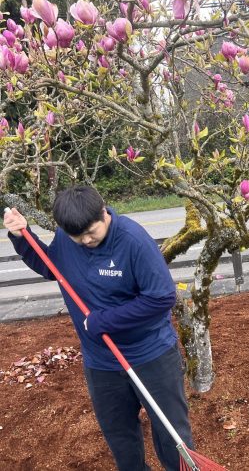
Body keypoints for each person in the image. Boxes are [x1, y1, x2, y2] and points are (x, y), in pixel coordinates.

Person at [3, 185, 194, 471]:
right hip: (101, 362)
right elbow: (52, 268)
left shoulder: (133, 241)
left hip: (150, 355)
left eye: (91, 232)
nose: (86, 241)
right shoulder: (70, 239)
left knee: (170, 434)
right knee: (120, 436)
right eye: (77, 237)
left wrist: (102, 321)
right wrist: (21, 238)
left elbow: (162, 296)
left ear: (103, 212)